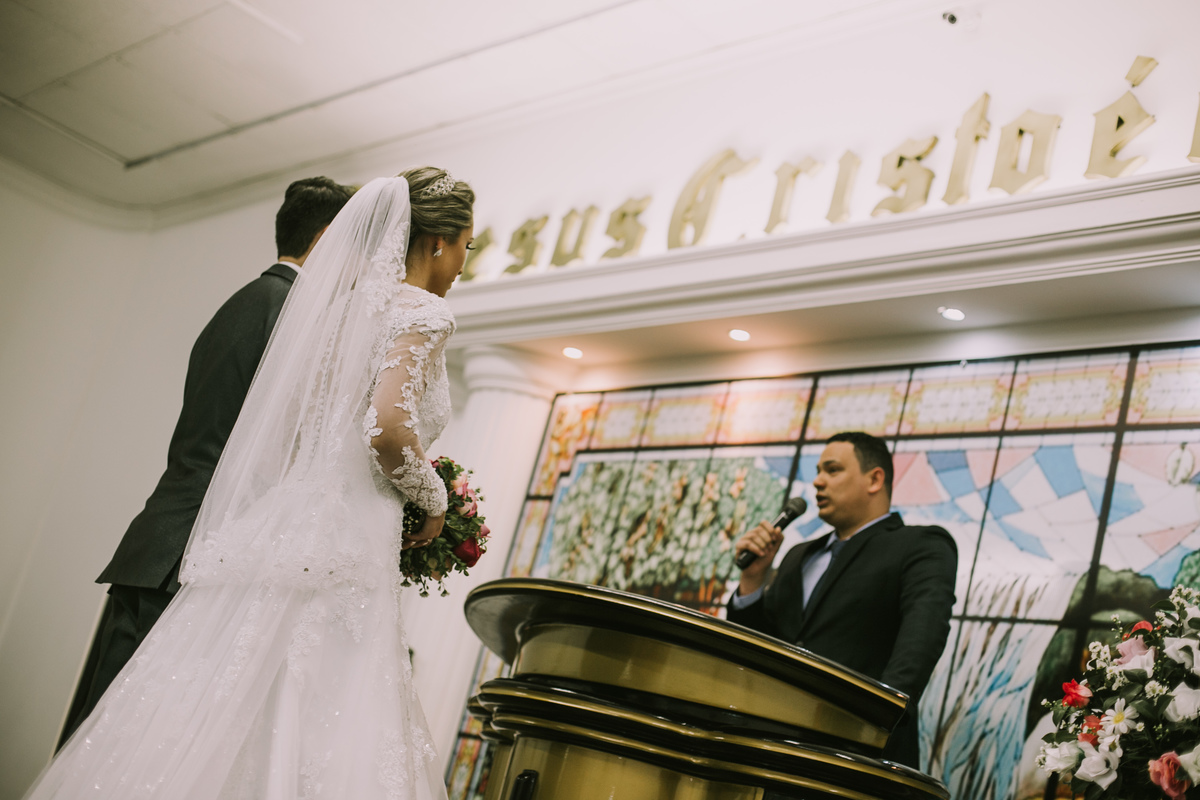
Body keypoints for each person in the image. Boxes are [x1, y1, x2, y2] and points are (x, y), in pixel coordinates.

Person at [26, 168, 474, 800]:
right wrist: (433, 497)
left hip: (275, 528)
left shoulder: (331, 314)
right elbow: (385, 427)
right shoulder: (422, 313)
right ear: (439, 241)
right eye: (466, 246)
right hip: (325, 538)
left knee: (206, 706)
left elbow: (293, 430)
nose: (464, 263)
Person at [60, 177, 356, 744]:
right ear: (323, 240)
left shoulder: (250, 301)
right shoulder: (289, 316)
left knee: (99, 735)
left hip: (164, 543)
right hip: (195, 551)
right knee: (124, 740)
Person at [727, 431, 957, 770]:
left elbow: (920, 643)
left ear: (874, 479)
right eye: (818, 471)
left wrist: (875, 722)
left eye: (832, 470)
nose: (818, 482)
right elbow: (759, 647)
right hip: (774, 747)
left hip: (857, 754)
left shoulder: (920, 546)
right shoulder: (797, 556)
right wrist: (752, 579)